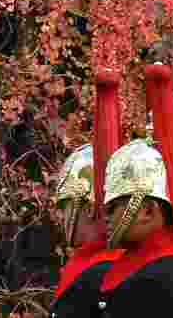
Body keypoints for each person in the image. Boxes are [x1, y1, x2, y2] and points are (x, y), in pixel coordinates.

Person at [95, 64, 173, 318]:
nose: (105, 216)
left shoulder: (156, 279)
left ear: (148, 210)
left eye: (114, 207)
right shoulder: (166, 268)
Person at [50, 71, 124, 318]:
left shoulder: (96, 273)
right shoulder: (122, 263)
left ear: (90, 206)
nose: (62, 217)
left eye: (68, 206)